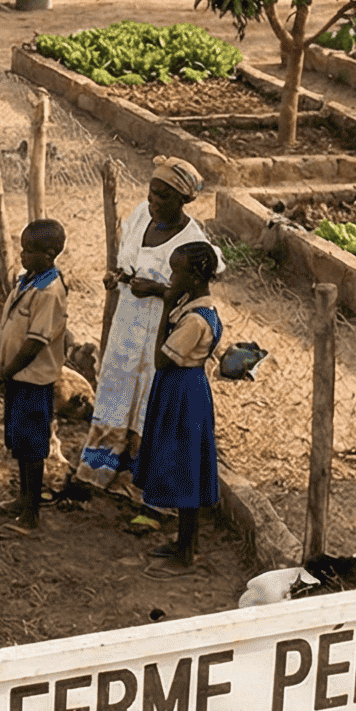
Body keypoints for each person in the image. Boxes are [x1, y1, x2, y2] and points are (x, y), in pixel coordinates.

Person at [73, 155, 211, 502]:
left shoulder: (193, 242)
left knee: (150, 400)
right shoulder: (139, 217)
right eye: (151, 194)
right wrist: (117, 277)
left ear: (183, 200)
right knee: (116, 389)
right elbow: (128, 262)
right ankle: (101, 469)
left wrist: (157, 291)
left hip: (160, 335)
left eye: (163, 197)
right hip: (127, 324)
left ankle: (139, 481)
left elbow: (196, 290)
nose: (153, 203)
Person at [136, 241, 225, 569]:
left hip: (183, 392)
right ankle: (185, 543)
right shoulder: (197, 307)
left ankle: (186, 553)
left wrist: (164, 307)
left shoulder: (195, 320)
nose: (171, 278)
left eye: (177, 271)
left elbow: (161, 359)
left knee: (186, 468)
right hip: (183, 388)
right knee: (183, 464)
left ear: (195, 275)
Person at [0, 220, 72, 530]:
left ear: (49, 254)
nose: (22, 256)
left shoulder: (49, 292)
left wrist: (7, 371)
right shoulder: (28, 282)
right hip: (17, 377)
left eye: (28, 251)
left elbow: (35, 342)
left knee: (33, 445)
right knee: (20, 442)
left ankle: (31, 514)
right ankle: (24, 499)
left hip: (32, 380)